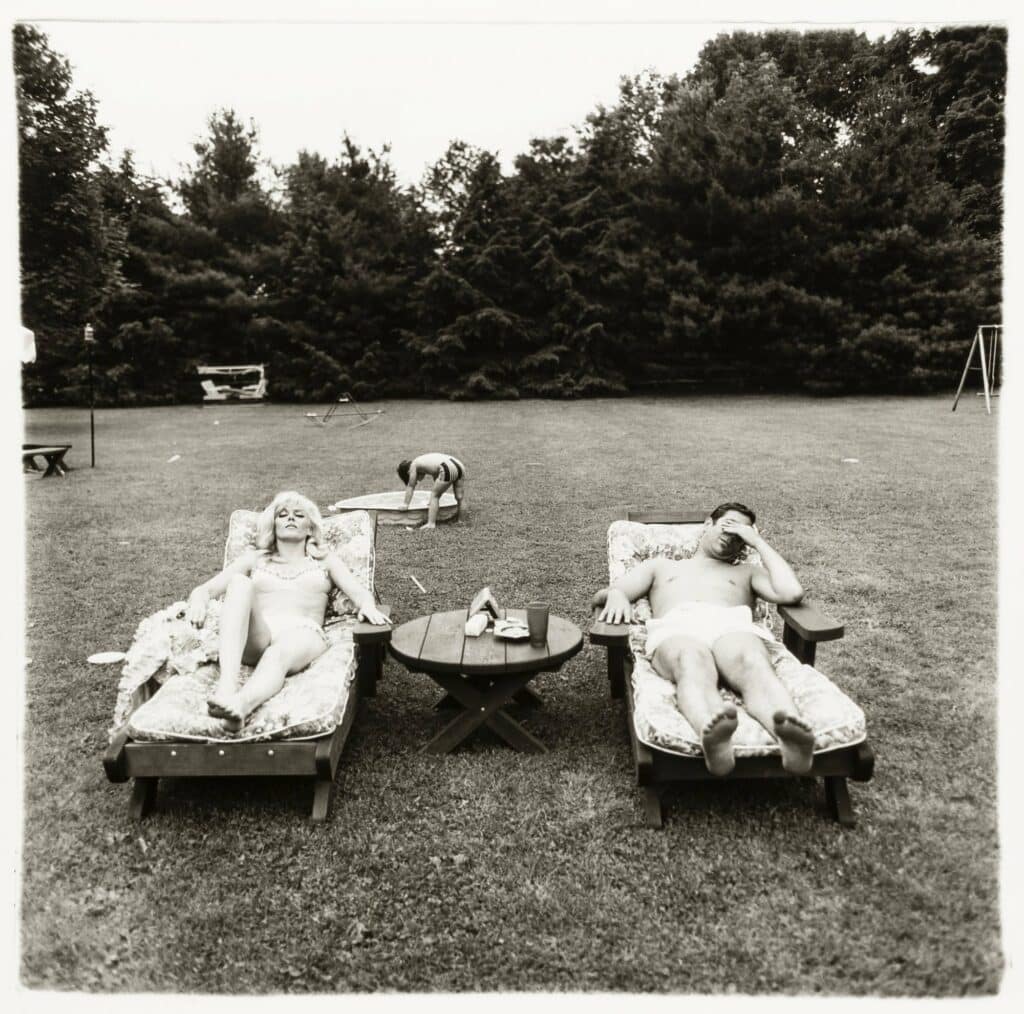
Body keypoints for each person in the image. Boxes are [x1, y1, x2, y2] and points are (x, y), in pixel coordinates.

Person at [593, 502, 815, 777]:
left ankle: (791, 738)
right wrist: (615, 595)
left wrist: (758, 542)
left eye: (741, 532)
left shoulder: (746, 572)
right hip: (677, 628)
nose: (733, 534)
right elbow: (610, 593)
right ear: (708, 525)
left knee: (752, 662)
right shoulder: (661, 566)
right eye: (728, 525)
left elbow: (792, 592)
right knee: (690, 661)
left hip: (732, 627)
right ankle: (712, 733)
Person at [187, 491, 388, 732]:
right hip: (259, 632)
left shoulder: (324, 561)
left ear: (310, 528)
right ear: (273, 524)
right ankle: (226, 689)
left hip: (302, 632)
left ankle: (240, 706)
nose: (290, 518)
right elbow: (206, 589)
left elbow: (359, 592)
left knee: (277, 654)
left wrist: (367, 605)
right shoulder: (256, 559)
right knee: (239, 583)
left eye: (298, 515)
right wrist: (198, 600)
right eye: (282, 515)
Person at [397, 452, 467, 530]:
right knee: (460, 497)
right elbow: (437, 477)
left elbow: (410, 486)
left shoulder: (413, 465)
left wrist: (405, 504)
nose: (418, 480)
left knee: (434, 496)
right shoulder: (423, 461)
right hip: (459, 464)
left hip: (447, 467)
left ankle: (431, 523)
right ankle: (462, 521)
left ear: (408, 472)